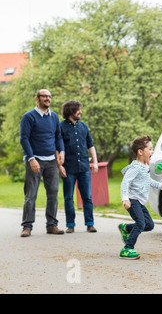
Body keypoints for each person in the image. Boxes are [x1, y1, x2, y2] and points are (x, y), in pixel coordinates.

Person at [19, 89, 65, 237]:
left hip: (51, 161)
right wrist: (31, 158)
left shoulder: (54, 117)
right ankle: (27, 226)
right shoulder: (29, 117)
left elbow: (58, 136)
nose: (47, 99)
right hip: (35, 160)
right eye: (44, 96)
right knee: (31, 195)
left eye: (49, 96)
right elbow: (24, 139)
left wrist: (61, 151)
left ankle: (52, 225)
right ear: (37, 98)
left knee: (53, 194)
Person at [118, 135, 162, 260]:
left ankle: (126, 228)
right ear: (140, 152)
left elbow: (148, 181)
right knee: (141, 223)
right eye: (150, 149)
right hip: (132, 200)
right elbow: (125, 182)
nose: (152, 152)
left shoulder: (145, 166)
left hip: (139, 202)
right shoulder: (136, 167)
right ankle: (127, 249)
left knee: (149, 225)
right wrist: (125, 198)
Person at [58, 100, 98, 233]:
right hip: (68, 168)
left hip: (84, 168)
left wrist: (95, 162)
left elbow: (90, 145)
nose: (80, 112)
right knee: (68, 197)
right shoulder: (61, 127)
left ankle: (90, 223)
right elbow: (57, 147)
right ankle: (70, 224)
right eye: (78, 110)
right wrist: (59, 165)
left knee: (87, 196)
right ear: (70, 111)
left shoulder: (84, 126)